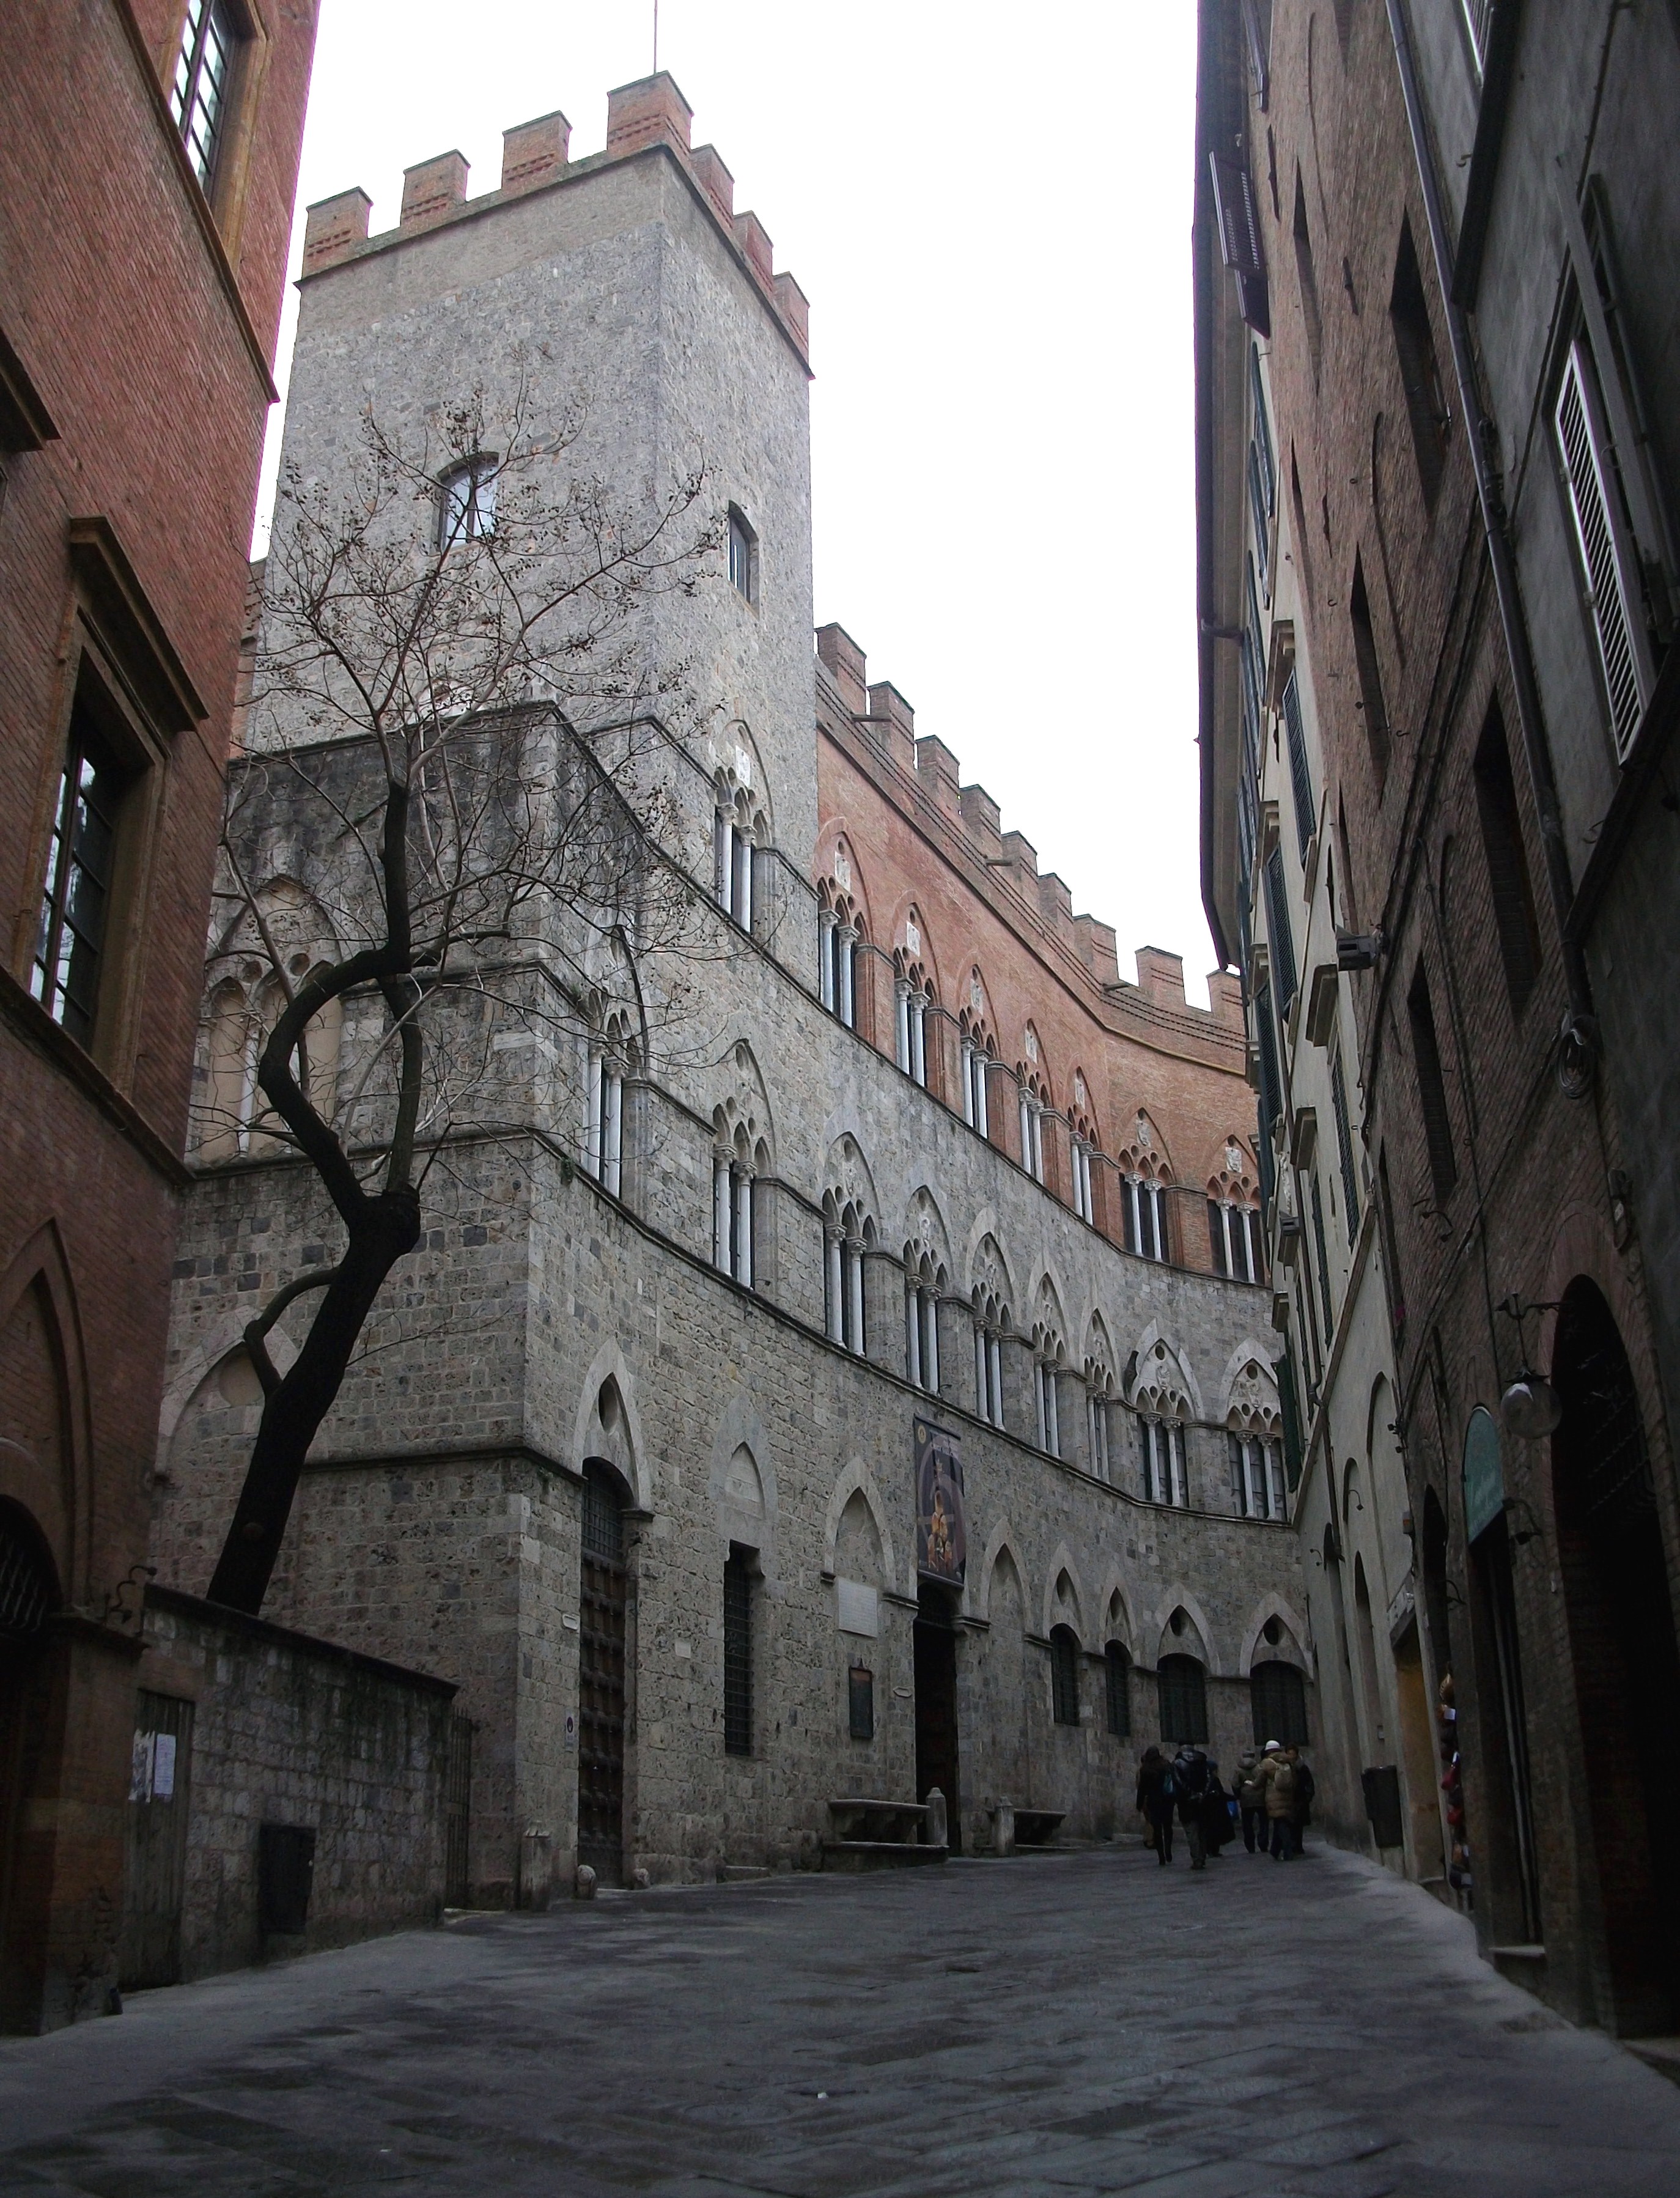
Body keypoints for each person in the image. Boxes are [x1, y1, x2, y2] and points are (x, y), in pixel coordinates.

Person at [1253, 1739, 1298, 1859]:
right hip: (1288, 1797)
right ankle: (1275, 1850)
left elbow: (1259, 1781)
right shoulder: (1288, 1761)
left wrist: (1252, 1785)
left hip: (1274, 1799)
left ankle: (1288, 1852)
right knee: (1280, 1823)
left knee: (1281, 1825)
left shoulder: (1267, 1763)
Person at [1172, 1743, 1212, 1868]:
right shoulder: (1202, 1761)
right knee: (1202, 1831)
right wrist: (1202, 1794)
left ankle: (1197, 1859)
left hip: (1186, 1802)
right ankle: (1202, 1856)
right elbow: (1209, 1779)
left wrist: (1190, 1794)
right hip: (1202, 1802)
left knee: (1192, 1833)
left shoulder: (1177, 1763)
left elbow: (1179, 1782)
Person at [1136, 1746, 1176, 1864]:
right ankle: (1168, 1850)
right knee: (1168, 1827)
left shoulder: (1145, 1770)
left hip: (1154, 1802)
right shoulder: (1167, 1765)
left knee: (1157, 1829)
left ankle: (1161, 1856)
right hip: (1167, 1800)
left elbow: (1142, 1789)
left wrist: (1139, 1804)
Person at [1286, 1744, 1315, 1854]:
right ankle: (1293, 1845)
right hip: (1289, 1799)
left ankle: (1298, 1846)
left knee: (1298, 1824)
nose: (1291, 1756)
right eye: (1289, 1754)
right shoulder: (1285, 1767)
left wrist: (1308, 1797)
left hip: (1300, 1799)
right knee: (1290, 1824)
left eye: (1293, 1754)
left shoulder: (1302, 1767)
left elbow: (1309, 1782)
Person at [1234, 1747, 1264, 1853]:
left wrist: (1239, 1795)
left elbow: (1235, 1784)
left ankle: (1250, 1846)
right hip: (1260, 1798)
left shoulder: (1238, 1770)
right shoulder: (1259, 1768)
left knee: (1247, 1825)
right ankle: (1263, 1843)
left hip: (1246, 1799)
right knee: (1263, 1823)